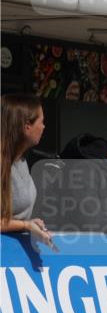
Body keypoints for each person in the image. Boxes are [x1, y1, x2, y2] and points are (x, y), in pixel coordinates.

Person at [1, 93, 54, 248]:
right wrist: (25, 225)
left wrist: (30, 224)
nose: (44, 127)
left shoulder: (21, 162)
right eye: (41, 122)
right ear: (27, 127)